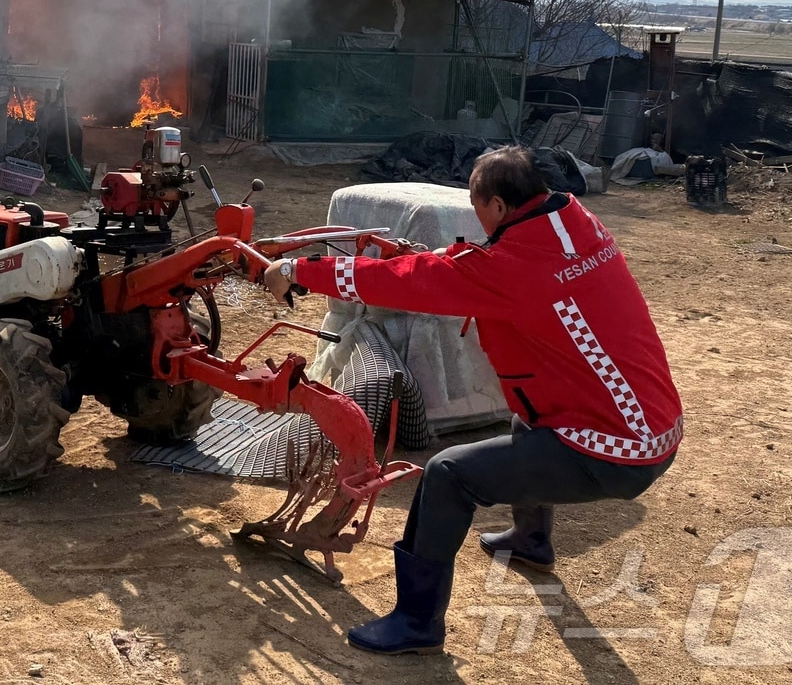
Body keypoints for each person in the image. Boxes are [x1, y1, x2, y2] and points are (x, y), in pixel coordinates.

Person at [262, 145, 682, 656]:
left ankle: (417, 622)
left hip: (616, 451)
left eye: (478, 203)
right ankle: (531, 540)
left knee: (447, 475)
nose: (478, 215)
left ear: (501, 207)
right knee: (528, 414)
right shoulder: (573, 224)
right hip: (653, 423)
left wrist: (300, 271)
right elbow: (480, 265)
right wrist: (448, 256)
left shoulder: (511, 268)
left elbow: (409, 284)